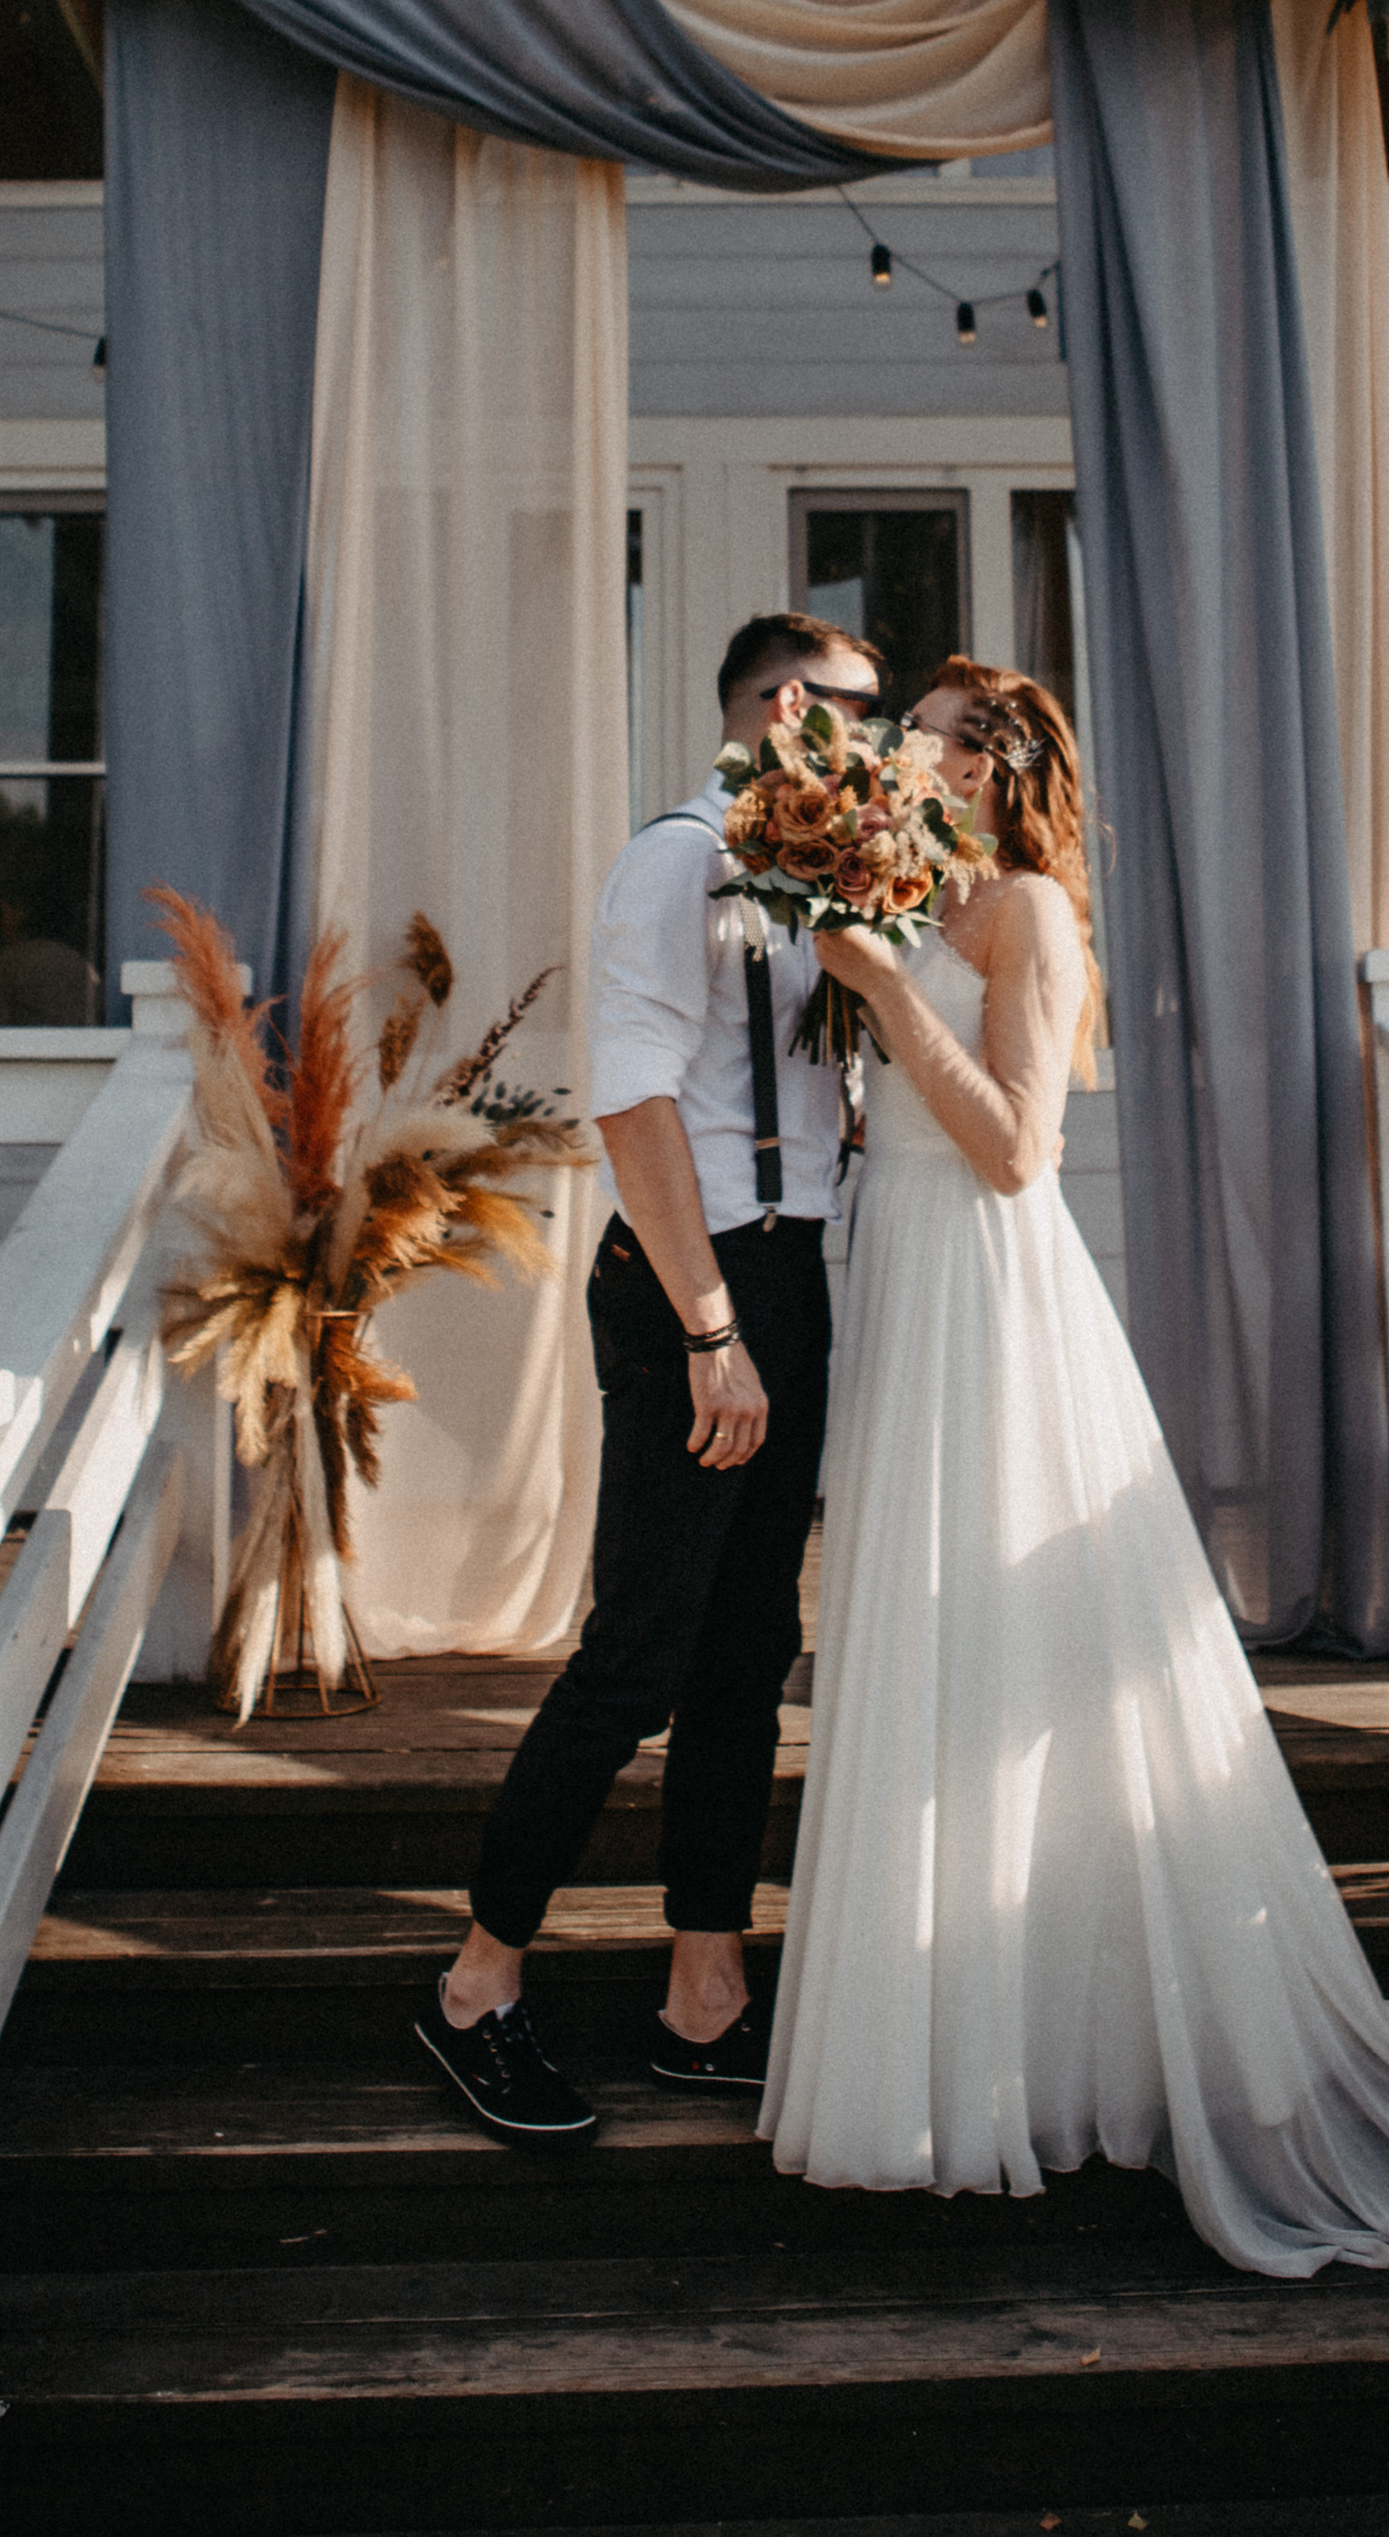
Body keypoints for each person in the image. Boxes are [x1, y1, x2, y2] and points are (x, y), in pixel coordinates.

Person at [762, 656, 1389, 2275]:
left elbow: (1020, 1150)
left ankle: (1057, 2047)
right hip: (901, 1280)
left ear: (988, 766)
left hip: (989, 1295)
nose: (896, 754)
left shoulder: (1031, 914)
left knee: (1019, 1642)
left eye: (923, 739)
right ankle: (953, 2047)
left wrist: (885, 989)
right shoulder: (906, 901)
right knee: (926, 1643)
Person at [417, 610, 887, 2146]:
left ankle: (704, 1997)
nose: (880, 743)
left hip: (787, 1276)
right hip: (700, 1281)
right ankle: (474, 1988)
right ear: (783, 708)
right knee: (638, 1655)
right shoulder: (679, 861)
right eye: (861, 711)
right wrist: (709, 1329)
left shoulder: (822, 874)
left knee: (750, 1652)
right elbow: (633, 1109)